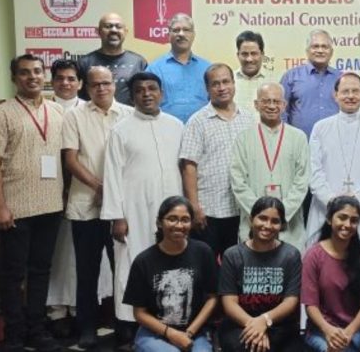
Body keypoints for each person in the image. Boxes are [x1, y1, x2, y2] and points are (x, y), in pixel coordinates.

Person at [0, 54, 67, 352]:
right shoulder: (1, 113)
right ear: (14, 78)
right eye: (25, 72)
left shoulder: (57, 111)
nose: (32, 77)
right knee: (13, 274)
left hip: (51, 206)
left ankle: (37, 330)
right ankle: (14, 334)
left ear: (44, 75)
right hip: (15, 208)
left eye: (37, 71)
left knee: (41, 271)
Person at [102, 72, 184, 337]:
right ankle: (130, 324)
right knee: (132, 263)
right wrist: (117, 216)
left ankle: (170, 319)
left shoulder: (176, 126)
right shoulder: (120, 130)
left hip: (172, 212)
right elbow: (111, 175)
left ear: (161, 93)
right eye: (140, 90)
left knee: (171, 264)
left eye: (152, 88)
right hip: (134, 212)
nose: (147, 94)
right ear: (132, 96)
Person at [308, 72, 360, 323]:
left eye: (356, 91)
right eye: (345, 91)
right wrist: (334, 205)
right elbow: (314, 172)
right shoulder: (320, 128)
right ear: (335, 95)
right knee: (325, 270)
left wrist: (355, 204)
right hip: (326, 210)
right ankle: (322, 324)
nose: (350, 96)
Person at [61, 65, 130, 348]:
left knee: (122, 271)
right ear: (86, 87)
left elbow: (131, 162)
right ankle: (87, 328)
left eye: (106, 83)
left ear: (114, 84)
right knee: (86, 271)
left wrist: (114, 193)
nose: (101, 88)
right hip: (85, 205)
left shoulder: (128, 114)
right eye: (95, 84)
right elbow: (70, 160)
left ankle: (125, 326)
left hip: (121, 209)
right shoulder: (74, 116)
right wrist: (101, 188)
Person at [179, 63, 256, 263]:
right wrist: (194, 207)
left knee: (238, 265)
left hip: (241, 209)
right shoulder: (198, 121)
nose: (222, 88)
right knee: (206, 266)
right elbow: (188, 166)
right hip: (209, 210)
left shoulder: (249, 118)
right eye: (215, 84)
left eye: (226, 82)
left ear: (233, 83)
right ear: (207, 88)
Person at [123, 196, 217, 352]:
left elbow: (212, 298)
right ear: (159, 222)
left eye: (185, 220)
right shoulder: (143, 261)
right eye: (172, 219)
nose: (179, 225)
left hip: (196, 332)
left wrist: (189, 332)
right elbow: (139, 313)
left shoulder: (203, 252)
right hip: (154, 333)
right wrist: (171, 334)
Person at [230, 82, 310, 249]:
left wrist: (281, 214)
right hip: (253, 223)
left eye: (276, 101)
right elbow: (237, 180)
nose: (272, 106)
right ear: (256, 105)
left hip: (290, 224)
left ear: (284, 105)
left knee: (289, 262)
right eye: (266, 101)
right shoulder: (243, 138)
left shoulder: (298, 137)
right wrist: (260, 214)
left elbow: (302, 181)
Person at [303, 196, 360, 352]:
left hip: (358, 330)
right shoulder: (313, 256)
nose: (347, 224)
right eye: (342, 217)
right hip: (321, 330)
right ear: (329, 219)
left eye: (354, 220)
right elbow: (310, 305)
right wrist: (328, 331)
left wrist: (349, 332)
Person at [219, 197, 303, 352]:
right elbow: (229, 303)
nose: (268, 225)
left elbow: (291, 301)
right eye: (262, 218)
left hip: (280, 325)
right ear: (251, 220)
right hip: (240, 324)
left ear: (281, 225)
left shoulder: (291, 255)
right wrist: (255, 326)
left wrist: (265, 320)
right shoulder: (232, 255)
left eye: (275, 221)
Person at [46, 57, 84, 338]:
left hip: (83, 191)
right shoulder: (44, 109)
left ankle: (80, 308)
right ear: (52, 82)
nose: (66, 83)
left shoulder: (88, 110)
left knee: (79, 254)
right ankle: (56, 311)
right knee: (56, 253)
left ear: (80, 83)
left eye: (71, 79)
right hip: (49, 193)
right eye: (60, 78)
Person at [146, 13, 213, 123]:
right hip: (165, 129)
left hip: (203, 129)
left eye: (186, 30)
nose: (181, 34)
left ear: (193, 35)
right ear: (168, 35)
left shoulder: (207, 68)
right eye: (176, 30)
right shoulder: (154, 70)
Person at [281, 29, 342, 137]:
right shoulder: (291, 76)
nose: (320, 50)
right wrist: (287, 137)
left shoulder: (341, 78)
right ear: (307, 51)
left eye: (325, 47)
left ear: (331, 52)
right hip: (299, 143)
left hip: (335, 141)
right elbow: (280, 110)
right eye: (315, 46)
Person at [78, 12, 148, 105]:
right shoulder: (84, 63)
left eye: (118, 27)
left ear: (125, 31)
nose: (114, 30)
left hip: (129, 113)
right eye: (108, 26)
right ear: (98, 31)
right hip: (92, 113)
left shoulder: (138, 62)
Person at [234, 30, 274, 114]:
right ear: (238, 55)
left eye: (254, 53)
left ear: (262, 54)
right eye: (244, 54)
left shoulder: (274, 81)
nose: (249, 59)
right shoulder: (229, 81)